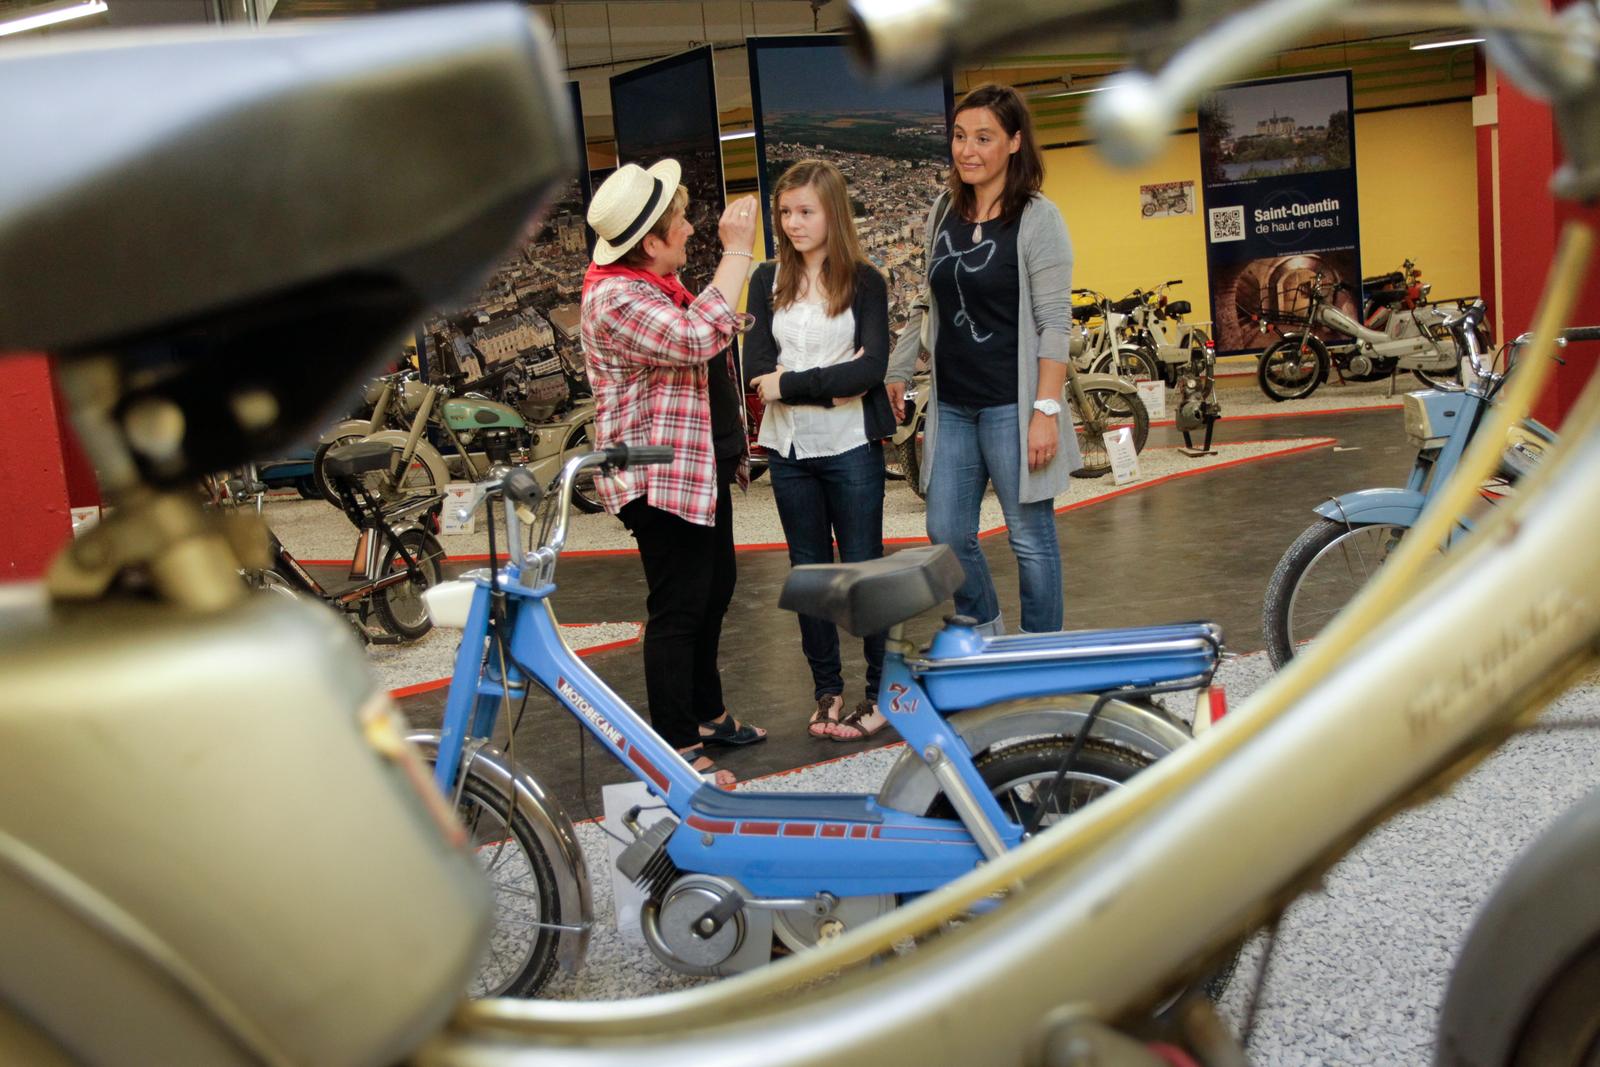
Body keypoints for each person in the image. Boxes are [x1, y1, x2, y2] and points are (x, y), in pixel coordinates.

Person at [581, 160, 766, 788]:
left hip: (695, 463)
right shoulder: (615, 298)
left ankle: (706, 714)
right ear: (650, 242)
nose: (691, 228)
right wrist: (737, 251)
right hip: (656, 475)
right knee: (679, 605)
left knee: (714, 589)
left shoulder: (656, 282)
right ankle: (676, 742)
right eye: (680, 221)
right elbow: (694, 339)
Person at [886, 83, 1079, 635]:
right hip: (954, 405)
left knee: (1029, 538)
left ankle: (1041, 654)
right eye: (959, 136)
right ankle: (987, 634)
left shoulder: (1037, 218)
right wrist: (899, 367)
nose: (967, 150)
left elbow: (1054, 323)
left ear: (1015, 143)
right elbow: (927, 298)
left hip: (1011, 405)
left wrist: (1045, 409)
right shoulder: (943, 210)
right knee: (946, 532)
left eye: (984, 138)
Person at [745, 160, 894, 742]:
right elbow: (755, 368)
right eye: (785, 212)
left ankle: (881, 693)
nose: (793, 223)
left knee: (863, 573)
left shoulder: (866, 280)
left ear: (833, 212)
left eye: (805, 211)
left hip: (850, 445)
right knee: (809, 576)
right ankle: (826, 691)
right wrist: (829, 384)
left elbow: (872, 368)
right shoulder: (766, 279)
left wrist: (789, 383)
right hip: (788, 450)